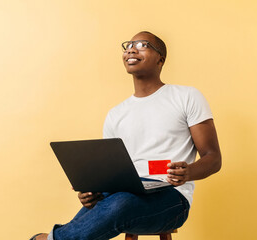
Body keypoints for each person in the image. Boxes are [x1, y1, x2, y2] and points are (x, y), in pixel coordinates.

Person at [30, 31, 222, 240]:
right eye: (128, 45)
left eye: (142, 45)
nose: (131, 49)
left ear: (160, 59)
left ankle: (48, 239)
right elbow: (111, 172)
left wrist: (189, 172)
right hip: (123, 192)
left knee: (122, 202)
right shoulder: (116, 114)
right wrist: (92, 192)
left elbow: (213, 158)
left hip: (172, 198)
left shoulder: (186, 97)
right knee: (113, 198)